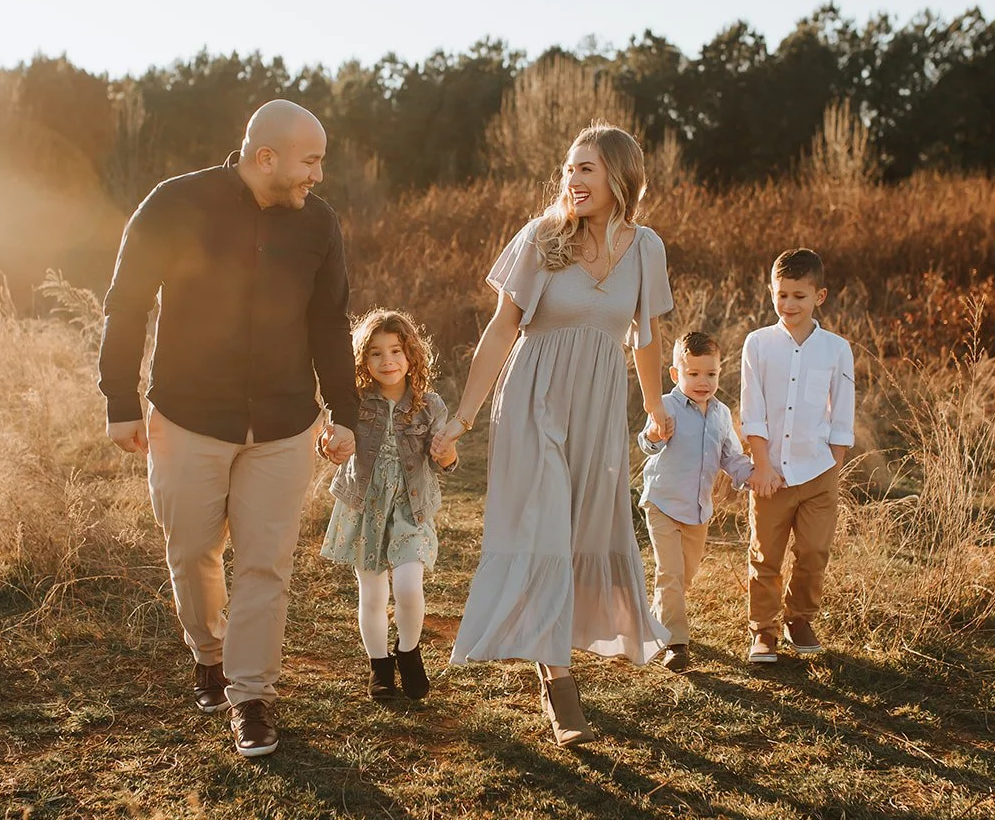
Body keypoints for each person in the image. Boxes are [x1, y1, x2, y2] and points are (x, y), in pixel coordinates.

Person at [98, 99, 359, 758]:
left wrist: (345, 410)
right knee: (191, 551)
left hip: (283, 423)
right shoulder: (174, 203)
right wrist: (119, 399)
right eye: (310, 161)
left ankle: (250, 695)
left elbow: (330, 321)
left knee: (265, 564)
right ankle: (208, 654)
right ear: (264, 157)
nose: (317, 177)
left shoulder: (319, 224)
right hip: (188, 416)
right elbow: (126, 302)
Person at [432, 122, 674, 748]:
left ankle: (556, 647)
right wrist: (462, 417)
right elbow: (501, 330)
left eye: (586, 168)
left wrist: (654, 409)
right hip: (533, 398)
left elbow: (644, 338)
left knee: (577, 532)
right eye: (568, 168)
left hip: (597, 407)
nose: (572, 179)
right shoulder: (544, 239)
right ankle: (559, 684)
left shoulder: (646, 247)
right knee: (542, 527)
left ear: (620, 177)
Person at [320, 309, 458, 700]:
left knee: (410, 587)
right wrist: (328, 445)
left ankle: (409, 652)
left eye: (396, 350)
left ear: (412, 355)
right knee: (374, 593)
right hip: (365, 507)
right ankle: (379, 665)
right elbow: (329, 436)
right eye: (376, 353)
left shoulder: (430, 405)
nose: (388, 361)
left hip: (411, 508)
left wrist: (446, 452)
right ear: (363, 361)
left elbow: (445, 462)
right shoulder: (354, 402)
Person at [739, 248, 856, 663]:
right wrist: (763, 464)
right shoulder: (758, 344)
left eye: (799, 297)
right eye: (781, 294)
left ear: (819, 296)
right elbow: (751, 411)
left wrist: (833, 471)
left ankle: (799, 618)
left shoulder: (837, 349)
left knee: (813, 552)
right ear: (771, 291)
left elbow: (842, 415)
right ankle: (764, 631)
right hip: (770, 474)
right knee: (765, 555)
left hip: (818, 472)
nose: (788, 305)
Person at [637, 331, 754, 673]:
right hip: (662, 503)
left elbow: (731, 458)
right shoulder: (665, 405)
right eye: (693, 374)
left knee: (683, 577)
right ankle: (676, 644)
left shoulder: (720, 414)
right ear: (676, 374)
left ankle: (654, 622)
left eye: (711, 374)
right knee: (670, 573)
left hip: (698, 511)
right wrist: (657, 434)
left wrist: (752, 473)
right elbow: (647, 442)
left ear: (720, 372)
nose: (703, 382)